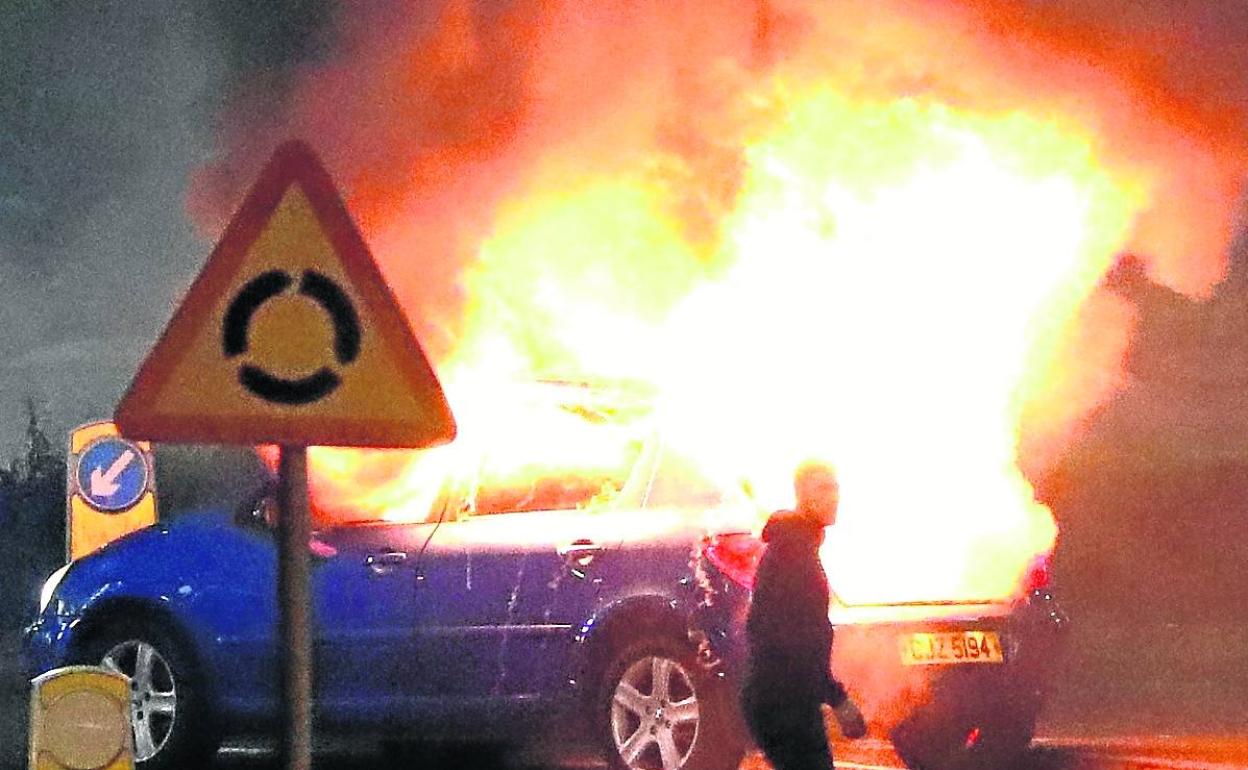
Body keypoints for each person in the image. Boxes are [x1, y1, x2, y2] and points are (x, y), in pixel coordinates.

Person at [741, 460, 867, 770]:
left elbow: (803, 641)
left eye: (835, 487)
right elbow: (789, 639)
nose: (833, 496)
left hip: (787, 701)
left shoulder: (800, 547)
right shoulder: (791, 551)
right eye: (823, 488)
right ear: (803, 496)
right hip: (782, 703)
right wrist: (837, 699)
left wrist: (833, 697)